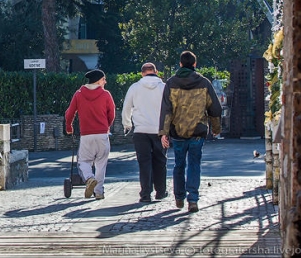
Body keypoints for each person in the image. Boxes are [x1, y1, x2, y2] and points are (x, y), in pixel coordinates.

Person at [159, 51, 222, 213]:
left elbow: (166, 110)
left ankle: (179, 196)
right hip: (197, 130)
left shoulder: (171, 83)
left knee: (179, 164)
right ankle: (192, 199)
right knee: (194, 164)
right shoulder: (204, 82)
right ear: (194, 64)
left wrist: (163, 133)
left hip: (177, 131)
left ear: (180, 64)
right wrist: (216, 128)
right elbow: (214, 107)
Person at [64, 69, 116, 200]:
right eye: (104, 79)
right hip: (102, 134)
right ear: (98, 81)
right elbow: (112, 113)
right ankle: (98, 192)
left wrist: (69, 127)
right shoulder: (106, 95)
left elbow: (70, 113)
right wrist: (107, 125)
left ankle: (89, 178)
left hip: (86, 134)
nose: (105, 82)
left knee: (83, 161)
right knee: (101, 164)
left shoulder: (79, 94)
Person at [122, 62, 168, 203]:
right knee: (160, 161)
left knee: (144, 163)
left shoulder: (134, 88)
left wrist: (127, 124)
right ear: (156, 72)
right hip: (159, 130)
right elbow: (170, 109)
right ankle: (160, 191)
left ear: (142, 73)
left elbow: (127, 107)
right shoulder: (164, 88)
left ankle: (145, 194)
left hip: (141, 130)